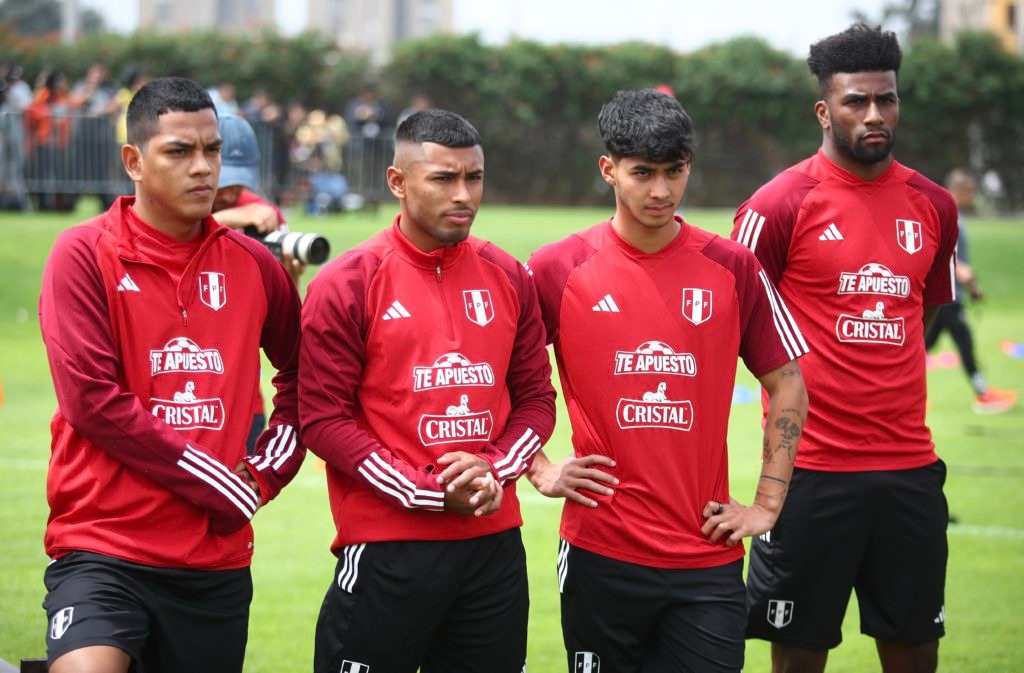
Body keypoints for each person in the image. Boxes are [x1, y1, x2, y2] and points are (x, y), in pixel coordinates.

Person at [525, 88, 809, 673]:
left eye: (674, 172)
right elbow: (505, 379)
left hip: (707, 557)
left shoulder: (733, 267)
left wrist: (767, 504)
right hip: (600, 551)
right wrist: (542, 470)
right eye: (643, 173)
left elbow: (787, 382)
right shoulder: (557, 267)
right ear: (609, 169)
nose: (661, 191)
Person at [38, 77, 305, 673]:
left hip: (215, 563)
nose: (203, 168)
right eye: (179, 152)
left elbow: (306, 378)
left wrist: (264, 475)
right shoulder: (82, 254)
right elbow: (92, 403)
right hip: (104, 548)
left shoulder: (254, 264)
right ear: (133, 160)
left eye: (211, 150)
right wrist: (218, 484)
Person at [731, 23, 959, 673]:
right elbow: (735, 318)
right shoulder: (778, 204)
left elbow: (927, 311)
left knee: (915, 650)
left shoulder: (934, 205)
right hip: (810, 475)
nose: (875, 114)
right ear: (824, 110)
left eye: (886, 99)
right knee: (799, 657)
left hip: (910, 470)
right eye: (856, 101)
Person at [300, 108, 556, 673]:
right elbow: (322, 418)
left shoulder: (509, 275)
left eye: (474, 177)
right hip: (387, 545)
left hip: (492, 548)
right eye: (443, 178)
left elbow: (537, 399)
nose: (463, 194)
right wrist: (424, 491)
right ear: (398, 182)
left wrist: (494, 469)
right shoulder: (348, 281)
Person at [211, 113, 305, 453]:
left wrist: (291, 271)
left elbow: (283, 307)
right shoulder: (182, 203)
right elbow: (175, 231)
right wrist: (228, 219)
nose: (230, 192)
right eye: (224, 181)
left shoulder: (262, 213)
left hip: (242, 397)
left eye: (240, 182)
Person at [925, 168, 1016, 414]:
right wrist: (961, 271)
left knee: (923, 346)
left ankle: (900, 394)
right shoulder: (946, 213)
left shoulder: (956, 216)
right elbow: (939, 252)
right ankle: (983, 394)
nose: (973, 196)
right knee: (963, 342)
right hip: (945, 296)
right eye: (971, 191)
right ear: (959, 190)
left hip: (953, 295)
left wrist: (972, 287)